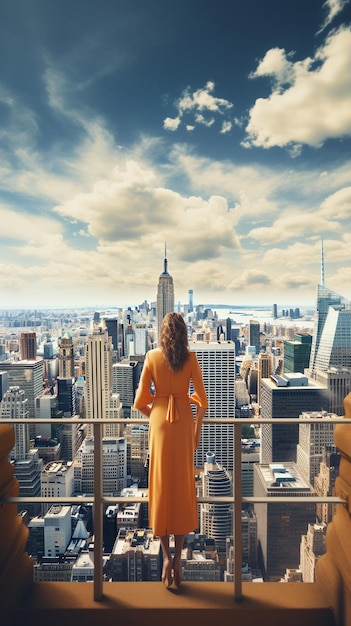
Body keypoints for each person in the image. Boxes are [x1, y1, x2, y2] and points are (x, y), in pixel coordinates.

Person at [133, 312, 208, 588]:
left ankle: (165, 555)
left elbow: (140, 401)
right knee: (182, 486)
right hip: (184, 426)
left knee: (161, 486)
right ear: (185, 333)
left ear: (162, 333)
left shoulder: (152, 357)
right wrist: (196, 431)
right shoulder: (190, 359)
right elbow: (202, 400)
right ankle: (178, 556)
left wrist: (156, 412)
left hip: (160, 424)